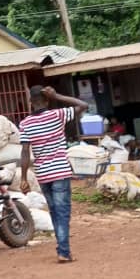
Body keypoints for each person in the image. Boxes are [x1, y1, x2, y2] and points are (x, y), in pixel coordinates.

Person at [19, 85, 88, 264]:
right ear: (47, 100)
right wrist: (58, 95)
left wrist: (24, 178)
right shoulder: (58, 115)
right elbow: (83, 105)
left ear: (30, 102)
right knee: (62, 213)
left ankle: (62, 249)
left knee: (55, 212)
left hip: (42, 174)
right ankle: (63, 251)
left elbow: (25, 152)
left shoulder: (25, 123)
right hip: (60, 171)